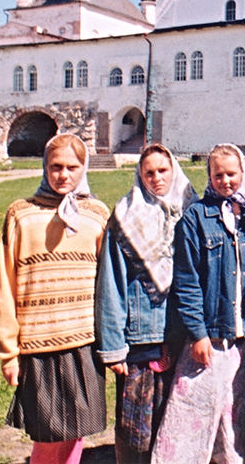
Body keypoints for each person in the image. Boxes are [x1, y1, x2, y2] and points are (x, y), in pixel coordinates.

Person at [153, 144, 245, 464]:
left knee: (235, 411)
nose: (225, 181)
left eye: (231, 174)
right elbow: (187, 280)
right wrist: (197, 333)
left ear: (242, 173)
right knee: (195, 406)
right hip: (210, 333)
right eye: (217, 174)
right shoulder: (195, 218)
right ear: (209, 177)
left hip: (242, 336)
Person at [0, 133, 109, 464]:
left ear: (83, 168)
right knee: (47, 436)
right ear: (44, 167)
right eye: (56, 166)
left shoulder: (97, 214)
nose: (64, 174)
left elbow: (108, 283)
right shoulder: (21, 215)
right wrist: (9, 352)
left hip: (84, 340)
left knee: (77, 431)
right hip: (38, 344)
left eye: (72, 167)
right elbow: (5, 284)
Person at [96, 144, 198, 463]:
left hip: (182, 334)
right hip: (141, 336)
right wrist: (113, 346)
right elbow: (110, 284)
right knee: (134, 428)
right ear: (140, 175)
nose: (156, 178)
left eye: (162, 171)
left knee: (176, 422)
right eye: (149, 172)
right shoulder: (126, 216)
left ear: (174, 171)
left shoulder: (192, 211)